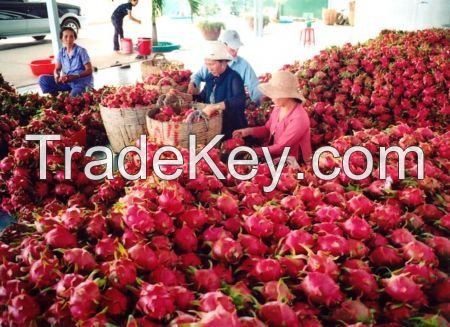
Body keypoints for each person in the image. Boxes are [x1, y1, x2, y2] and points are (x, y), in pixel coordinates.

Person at [171, 41, 247, 139]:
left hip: (231, 129)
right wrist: (182, 95)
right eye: (207, 64)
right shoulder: (210, 77)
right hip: (213, 127)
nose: (209, 68)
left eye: (212, 64)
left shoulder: (234, 77)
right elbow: (202, 97)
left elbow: (240, 99)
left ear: (223, 62)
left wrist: (215, 107)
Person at [233, 71, 312, 164]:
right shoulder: (278, 108)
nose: (271, 97)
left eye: (275, 93)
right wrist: (247, 131)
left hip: (294, 164)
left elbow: (281, 147)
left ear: (287, 95)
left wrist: (253, 151)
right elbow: (267, 129)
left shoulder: (299, 118)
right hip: (275, 156)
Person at [188, 30, 263, 105]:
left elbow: (254, 85)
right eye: (232, 49)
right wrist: (193, 84)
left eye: (237, 48)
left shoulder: (243, 65)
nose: (235, 52)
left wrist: (260, 102)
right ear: (222, 46)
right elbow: (198, 76)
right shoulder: (212, 61)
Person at [38, 27, 93, 97]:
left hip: (81, 82)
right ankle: (56, 97)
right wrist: (57, 76)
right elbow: (57, 69)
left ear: (74, 38)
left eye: (71, 36)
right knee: (42, 79)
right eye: (66, 37)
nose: (69, 39)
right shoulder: (61, 52)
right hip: (67, 82)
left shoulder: (81, 51)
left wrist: (75, 76)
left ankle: (72, 94)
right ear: (61, 39)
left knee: (72, 98)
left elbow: (89, 70)